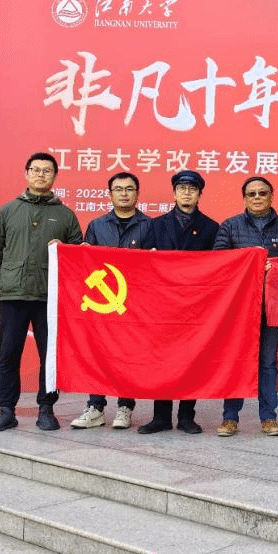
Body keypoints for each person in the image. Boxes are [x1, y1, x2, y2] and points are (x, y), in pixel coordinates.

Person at [0, 152, 82, 433]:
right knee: (8, 355)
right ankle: (6, 410)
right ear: (26, 173)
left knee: (49, 357)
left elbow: (78, 256)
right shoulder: (8, 211)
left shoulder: (65, 215)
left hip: (49, 298)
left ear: (55, 176)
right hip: (13, 294)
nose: (41, 175)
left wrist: (64, 249)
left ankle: (46, 409)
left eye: (47, 171)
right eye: (36, 170)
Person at [214, 176, 278, 437]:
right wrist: (247, 260)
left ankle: (269, 417)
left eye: (263, 193)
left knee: (268, 361)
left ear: (271, 196)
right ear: (244, 198)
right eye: (252, 194)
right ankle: (230, 418)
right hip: (238, 308)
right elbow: (218, 262)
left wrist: (277, 267)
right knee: (236, 359)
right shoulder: (230, 226)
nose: (257, 197)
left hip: (271, 306)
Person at [70, 171, 155, 431]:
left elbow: (156, 266)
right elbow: (86, 264)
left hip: (135, 303)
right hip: (101, 304)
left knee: (128, 354)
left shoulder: (150, 226)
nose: (124, 194)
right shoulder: (97, 226)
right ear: (110, 194)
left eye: (129, 189)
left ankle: (125, 406)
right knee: (98, 352)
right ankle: (95, 407)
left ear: (137, 194)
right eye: (118, 189)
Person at [139, 170, 219, 434]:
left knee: (191, 359)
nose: (187, 193)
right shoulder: (155, 225)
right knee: (161, 360)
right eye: (182, 188)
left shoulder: (211, 227)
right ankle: (161, 416)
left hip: (195, 306)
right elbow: (142, 264)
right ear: (173, 193)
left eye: (192, 189)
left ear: (199, 194)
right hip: (162, 305)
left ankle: (186, 417)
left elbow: (219, 266)